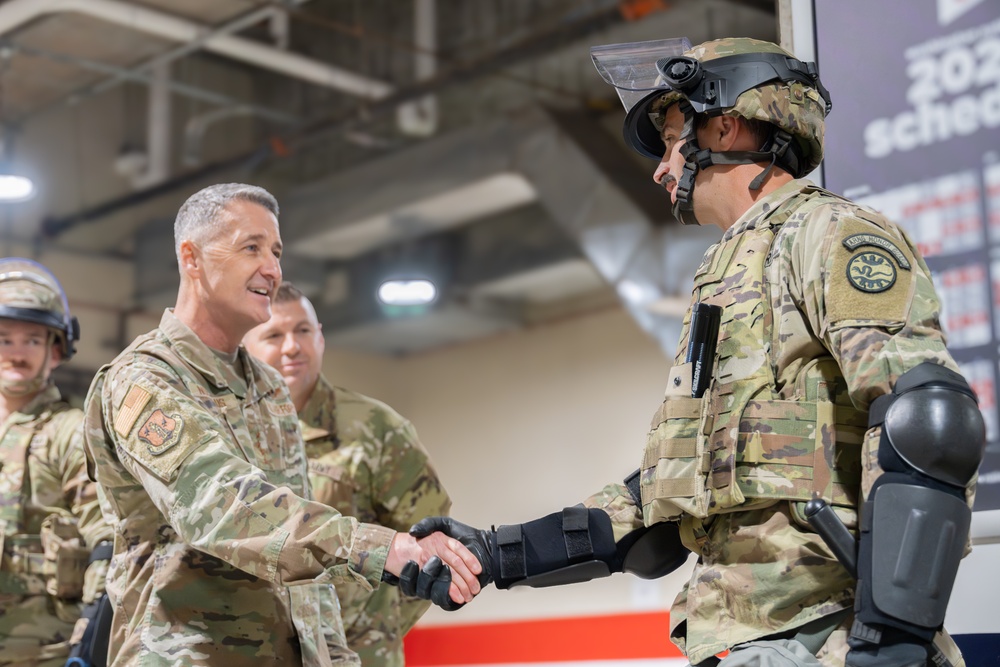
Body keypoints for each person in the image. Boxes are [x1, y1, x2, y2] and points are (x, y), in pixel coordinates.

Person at [412, 38, 986, 667]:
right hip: (738, 640)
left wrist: (893, 641)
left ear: (726, 125)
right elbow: (667, 499)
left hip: (824, 632)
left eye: (672, 141)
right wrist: (496, 553)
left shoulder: (829, 233)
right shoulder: (726, 272)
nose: (662, 169)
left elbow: (930, 423)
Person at [81, 183, 481, 667]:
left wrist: (337, 657)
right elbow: (222, 507)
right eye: (251, 248)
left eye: (276, 252)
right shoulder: (144, 380)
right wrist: (381, 547)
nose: (272, 269)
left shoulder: (268, 388)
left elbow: (301, 566)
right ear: (192, 258)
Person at [243, 281, 452, 666]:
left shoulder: (375, 427)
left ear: (320, 338)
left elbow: (431, 544)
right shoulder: (230, 434)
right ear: (246, 347)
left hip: (357, 651)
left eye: (303, 331)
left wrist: (373, 628)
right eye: (274, 334)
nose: (292, 346)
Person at [0, 258, 113, 667]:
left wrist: (89, 638)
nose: (16, 352)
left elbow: (108, 542)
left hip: (47, 652)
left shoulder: (72, 432)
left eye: (32, 340)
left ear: (57, 348)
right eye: (4, 338)